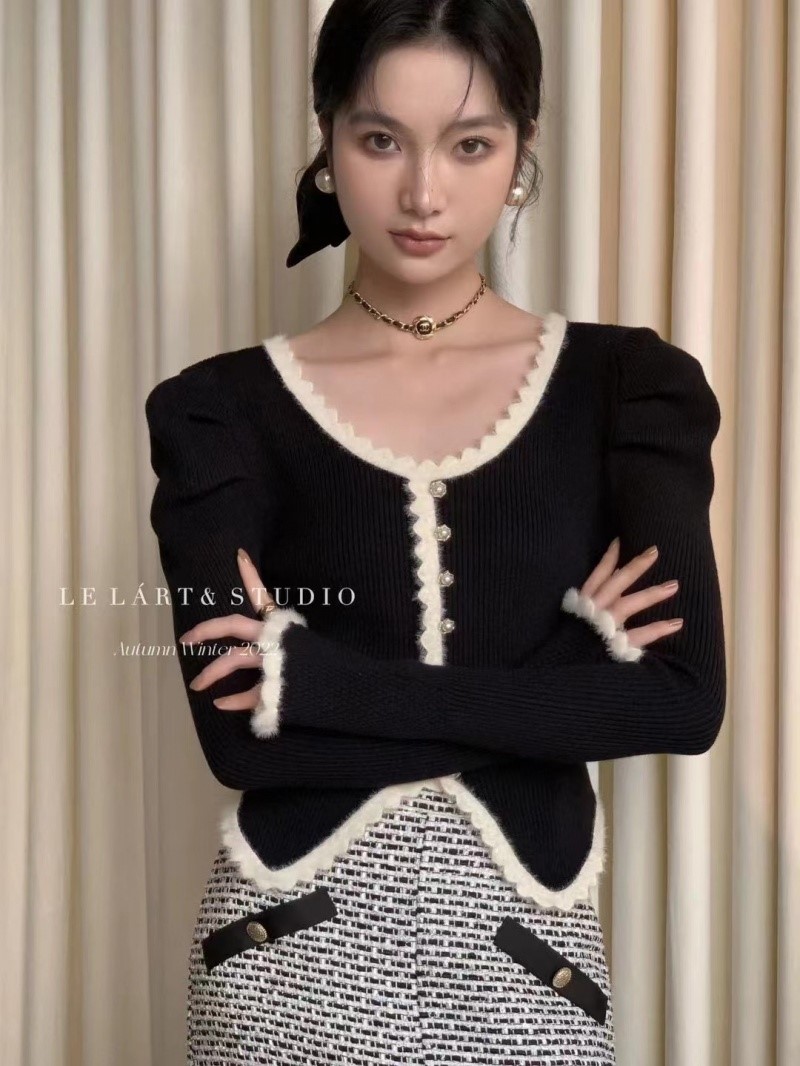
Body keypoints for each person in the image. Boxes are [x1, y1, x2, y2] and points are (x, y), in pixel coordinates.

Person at [144, 1, 726, 1062]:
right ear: (327, 139)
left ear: (521, 149)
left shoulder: (630, 388)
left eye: (469, 144)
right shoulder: (216, 414)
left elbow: (683, 700)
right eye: (381, 140)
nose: (422, 193)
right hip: (282, 964)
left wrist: (321, 684)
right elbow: (235, 736)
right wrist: (568, 677)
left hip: (527, 971)